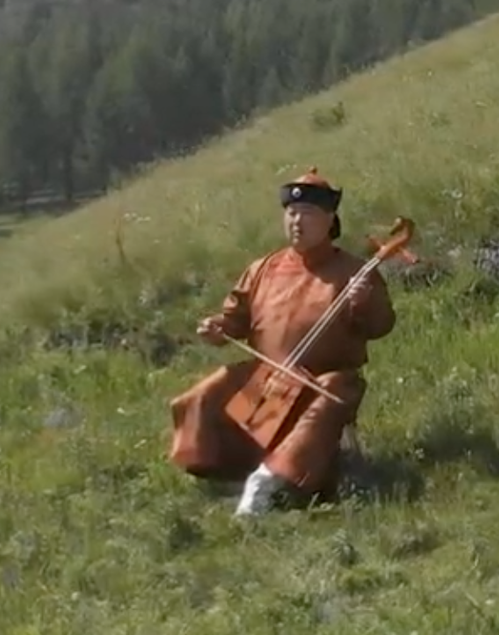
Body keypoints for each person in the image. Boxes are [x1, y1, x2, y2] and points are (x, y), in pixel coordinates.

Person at [166, 168, 397, 516]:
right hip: (270, 383)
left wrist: (363, 302)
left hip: (322, 380)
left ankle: (273, 482)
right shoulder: (263, 269)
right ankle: (220, 474)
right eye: (291, 213)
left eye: (307, 213)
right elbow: (235, 319)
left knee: (334, 392)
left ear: (330, 220)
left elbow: (381, 325)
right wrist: (217, 327)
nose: (297, 221)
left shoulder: (354, 271)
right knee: (206, 394)